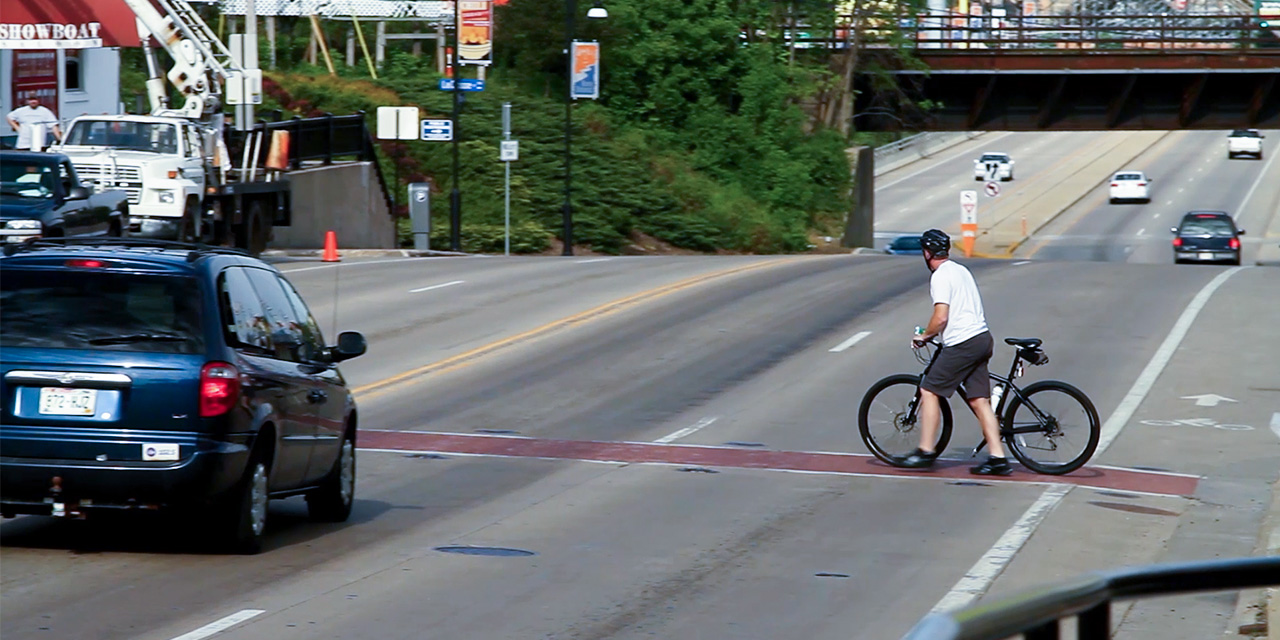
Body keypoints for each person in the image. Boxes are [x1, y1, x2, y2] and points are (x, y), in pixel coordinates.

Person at [900, 228, 1011, 476]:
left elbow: (941, 318)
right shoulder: (961, 270)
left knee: (928, 390)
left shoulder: (940, 276)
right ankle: (998, 458)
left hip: (963, 342)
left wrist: (924, 335)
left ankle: (925, 452)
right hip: (982, 338)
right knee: (979, 400)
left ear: (927, 253)